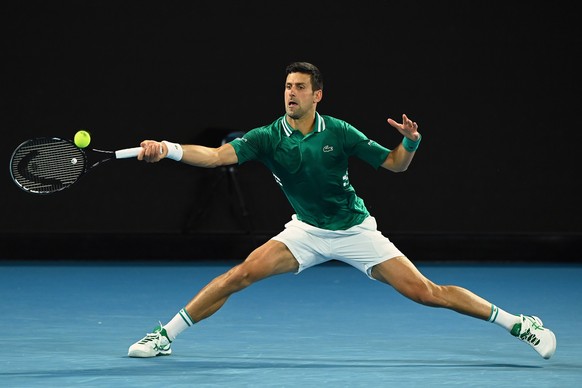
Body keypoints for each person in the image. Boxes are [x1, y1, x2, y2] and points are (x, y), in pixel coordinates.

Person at [128, 62, 556, 360]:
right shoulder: (265, 137)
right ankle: (166, 335)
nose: (290, 93)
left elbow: (394, 165)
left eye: (299, 87)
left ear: (317, 94)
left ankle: (520, 324)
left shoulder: (341, 132)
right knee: (239, 275)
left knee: (426, 293)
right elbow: (217, 156)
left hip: (355, 231)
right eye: (286, 87)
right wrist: (168, 149)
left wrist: (410, 142)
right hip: (305, 232)